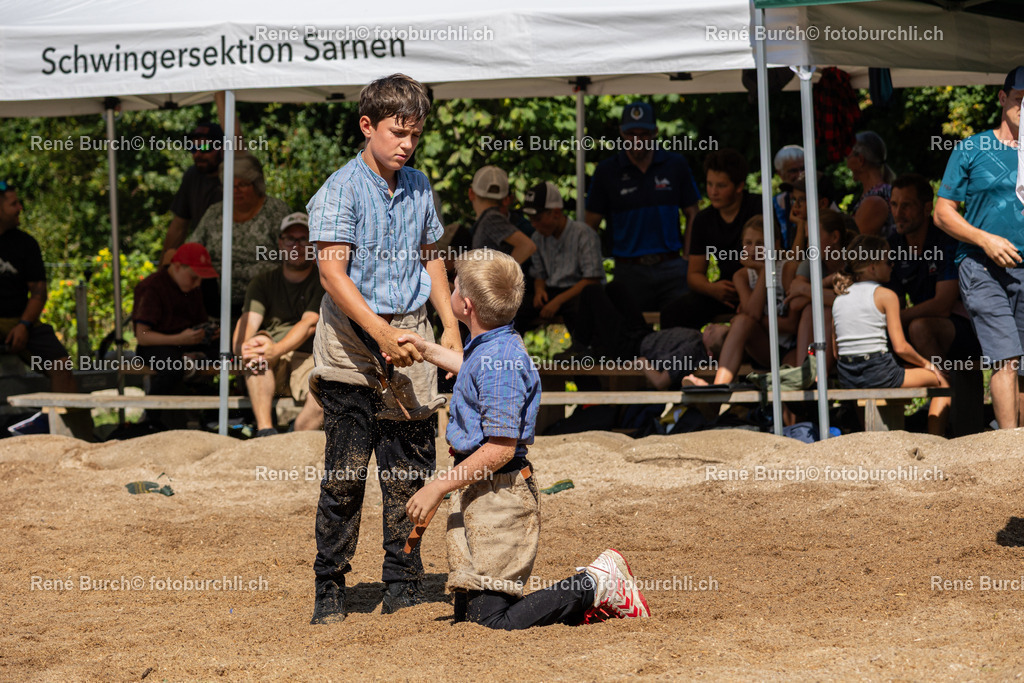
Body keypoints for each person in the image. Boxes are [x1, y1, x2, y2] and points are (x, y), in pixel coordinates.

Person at [396, 249, 650, 629]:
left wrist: (437, 487)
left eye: (454, 285)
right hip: (480, 487)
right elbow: (474, 369)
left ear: (464, 305)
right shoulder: (493, 346)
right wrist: (428, 349)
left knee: (491, 623)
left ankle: (595, 583)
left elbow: (500, 447)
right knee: (470, 614)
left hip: (501, 493)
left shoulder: (502, 362)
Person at [305, 73, 462, 625]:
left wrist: (449, 325)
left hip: (412, 339)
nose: (407, 144)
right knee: (345, 474)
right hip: (351, 346)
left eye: (415, 135)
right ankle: (330, 585)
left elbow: (432, 256)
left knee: (409, 472)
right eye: (398, 132)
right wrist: (379, 333)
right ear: (367, 126)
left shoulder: (418, 185)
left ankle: (404, 579)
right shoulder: (338, 190)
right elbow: (331, 274)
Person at [935, 66, 1024, 429]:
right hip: (980, 265)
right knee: (1006, 357)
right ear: (1003, 99)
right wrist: (985, 239)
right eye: (1020, 100)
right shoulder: (972, 148)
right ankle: (1007, 451)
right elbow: (942, 213)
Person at [585, 101, 701, 312]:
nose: (637, 140)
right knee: (630, 338)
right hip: (628, 270)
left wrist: (687, 258)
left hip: (673, 267)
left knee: (680, 334)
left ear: (655, 132)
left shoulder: (676, 164)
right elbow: (589, 224)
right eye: (631, 134)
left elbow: (693, 213)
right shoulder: (606, 171)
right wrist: (595, 268)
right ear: (621, 132)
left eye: (644, 134)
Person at [831, 235, 949, 435]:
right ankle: (936, 441)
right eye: (888, 261)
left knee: (867, 389)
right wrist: (927, 364)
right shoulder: (886, 296)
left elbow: (836, 352)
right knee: (942, 382)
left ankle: (870, 437)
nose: (892, 265)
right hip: (878, 371)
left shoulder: (839, 299)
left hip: (848, 374)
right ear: (873, 267)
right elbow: (900, 347)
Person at [0, 182, 90, 436]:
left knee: (61, 364)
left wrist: (24, 325)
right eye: (13, 204)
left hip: (20, 318)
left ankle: (71, 438)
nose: (20, 208)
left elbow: (39, 292)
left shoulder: (25, 243)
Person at [232, 212, 325, 437]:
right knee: (256, 345)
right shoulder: (263, 281)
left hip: (310, 358)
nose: (297, 245)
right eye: (290, 238)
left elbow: (310, 323)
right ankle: (266, 432)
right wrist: (242, 349)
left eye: (303, 239)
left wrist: (275, 350)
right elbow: (248, 321)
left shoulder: (324, 278)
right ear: (280, 243)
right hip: (271, 359)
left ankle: (297, 433)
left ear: (313, 244)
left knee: (332, 383)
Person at [683, 216, 802, 387]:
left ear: (775, 244)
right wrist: (762, 271)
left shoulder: (788, 268)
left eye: (760, 243)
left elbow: (791, 324)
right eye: (748, 243)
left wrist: (756, 319)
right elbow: (751, 316)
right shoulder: (741, 276)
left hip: (789, 347)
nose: (753, 249)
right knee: (742, 322)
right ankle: (718, 388)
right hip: (762, 347)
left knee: (742, 321)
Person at [660, 149, 763, 330]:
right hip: (726, 292)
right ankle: (685, 356)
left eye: (721, 186)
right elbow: (694, 274)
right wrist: (712, 289)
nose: (713, 192)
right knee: (673, 313)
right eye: (709, 184)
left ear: (739, 186)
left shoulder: (759, 207)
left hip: (761, 288)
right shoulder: (703, 219)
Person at [190, 152, 290, 315]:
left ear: (256, 185)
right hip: (216, 296)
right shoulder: (215, 212)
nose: (235, 190)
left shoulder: (276, 212)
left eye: (243, 185)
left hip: (265, 298)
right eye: (230, 185)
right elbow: (194, 248)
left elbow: (293, 256)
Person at [131, 242, 219, 428]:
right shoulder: (152, 287)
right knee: (172, 365)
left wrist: (209, 333)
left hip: (187, 343)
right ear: (177, 266)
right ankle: (151, 420)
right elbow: (143, 336)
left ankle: (221, 415)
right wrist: (179, 339)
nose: (198, 283)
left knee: (230, 351)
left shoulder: (193, 288)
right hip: (157, 346)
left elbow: (198, 322)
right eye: (194, 277)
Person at [516, 181, 604, 336]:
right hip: (551, 291)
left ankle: (583, 350)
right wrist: (539, 290)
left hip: (578, 292)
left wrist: (558, 301)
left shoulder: (583, 234)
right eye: (531, 219)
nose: (534, 224)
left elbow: (592, 279)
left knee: (581, 305)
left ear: (556, 213)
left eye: (537, 219)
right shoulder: (537, 237)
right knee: (517, 307)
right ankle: (509, 349)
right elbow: (539, 273)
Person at [159, 121, 225, 266]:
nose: (198, 154)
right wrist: (162, 269)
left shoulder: (235, 177)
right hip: (201, 261)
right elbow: (178, 226)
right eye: (193, 148)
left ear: (223, 149)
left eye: (206, 147)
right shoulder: (193, 175)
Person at [469, 166, 536, 264]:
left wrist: (501, 276)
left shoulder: (491, 219)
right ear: (505, 199)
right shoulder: (489, 218)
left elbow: (527, 246)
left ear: (470, 193)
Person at [846, 131, 896, 238]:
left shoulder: (875, 200)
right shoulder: (879, 193)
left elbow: (854, 242)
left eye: (848, 156)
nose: (846, 163)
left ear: (860, 160)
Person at [772, 145, 804, 249]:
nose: (800, 175)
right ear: (780, 173)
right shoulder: (774, 204)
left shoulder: (819, 198)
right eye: (793, 171)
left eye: (803, 169)